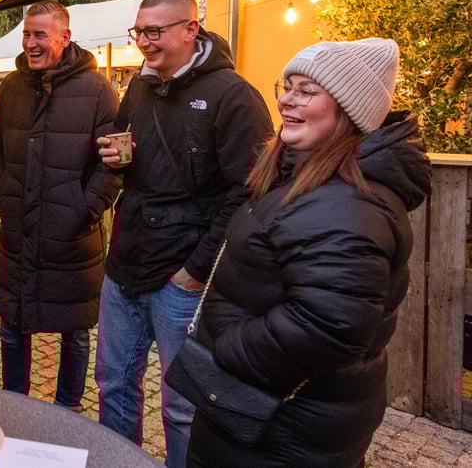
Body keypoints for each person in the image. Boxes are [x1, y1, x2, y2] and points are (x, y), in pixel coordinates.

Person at [184, 38, 431, 467]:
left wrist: (227, 349)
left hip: (281, 426)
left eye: (306, 91)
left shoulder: (349, 205)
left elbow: (328, 327)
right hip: (271, 417)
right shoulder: (308, 176)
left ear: (350, 110)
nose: (285, 100)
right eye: (287, 85)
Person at [95, 0, 272, 468]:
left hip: (183, 277)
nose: (144, 43)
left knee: (182, 404)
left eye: (155, 32)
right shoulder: (139, 86)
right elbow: (127, 148)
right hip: (125, 263)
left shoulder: (233, 95)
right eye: (139, 32)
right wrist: (116, 156)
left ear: (191, 29)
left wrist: (195, 271)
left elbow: (250, 192)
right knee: (112, 383)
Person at [0, 0, 121, 412]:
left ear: (65, 37)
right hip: (18, 232)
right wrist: (5, 197)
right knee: (13, 325)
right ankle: (16, 410)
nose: (30, 42)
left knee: (76, 331)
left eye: (39, 34)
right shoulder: (12, 86)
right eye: (27, 34)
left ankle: (68, 413)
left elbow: (113, 163)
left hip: (73, 239)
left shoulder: (98, 90)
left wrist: (85, 208)